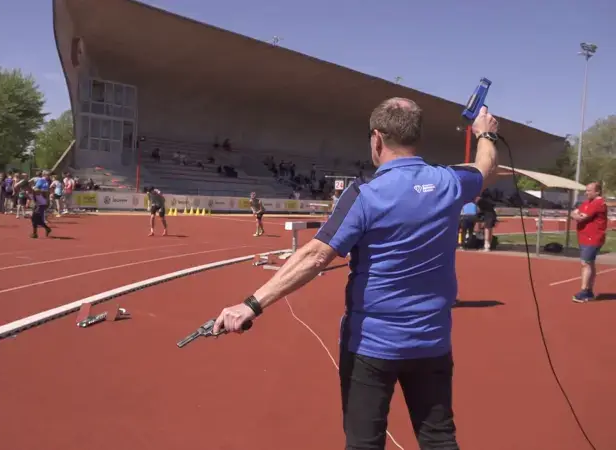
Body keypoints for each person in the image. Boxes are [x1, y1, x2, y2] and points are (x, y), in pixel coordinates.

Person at [212, 99, 500, 450]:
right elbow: (486, 167)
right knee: (439, 440)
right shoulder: (449, 182)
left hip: (371, 346)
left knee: (364, 443)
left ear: (377, 139)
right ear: (416, 137)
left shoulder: (365, 194)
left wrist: (252, 304)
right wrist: (484, 132)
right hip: (431, 342)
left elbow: (316, 255)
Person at [571, 181, 608, 303]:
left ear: (597, 192)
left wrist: (576, 215)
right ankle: (589, 291)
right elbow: (574, 212)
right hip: (584, 237)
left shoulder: (598, 203)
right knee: (589, 263)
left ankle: (584, 291)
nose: (586, 193)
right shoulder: (588, 202)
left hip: (593, 238)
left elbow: (581, 217)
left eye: (589, 191)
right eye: (586, 190)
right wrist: (575, 214)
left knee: (585, 263)